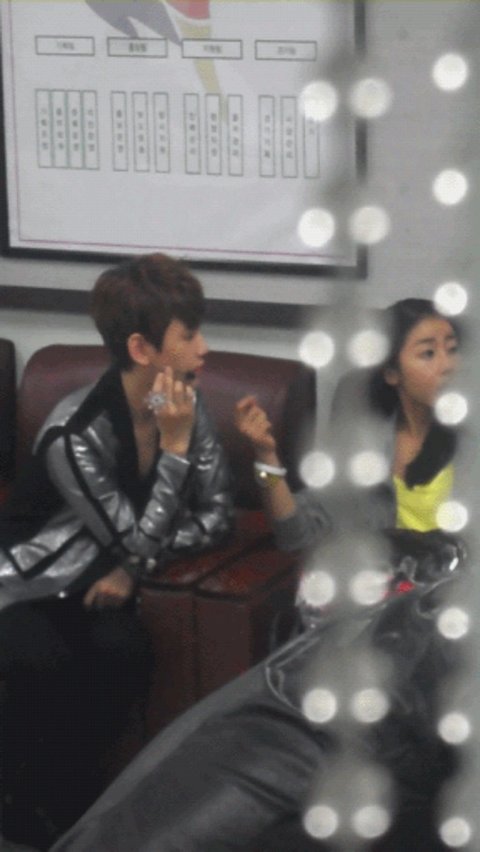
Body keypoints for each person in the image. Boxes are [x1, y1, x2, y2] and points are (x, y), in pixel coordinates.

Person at [50, 298, 470, 852]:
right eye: (429, 352)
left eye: (453, 350)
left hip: (439, 652)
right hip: (349, 645)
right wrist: (267, 457)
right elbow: (298, 533)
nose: (449, 365)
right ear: (392, 372)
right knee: (196, 762)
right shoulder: (366, 451)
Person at [0, 253, 234, 850]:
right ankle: (24, 812)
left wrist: (132, 566)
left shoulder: (183, 402)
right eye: (189, 335)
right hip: (26, 583)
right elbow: (132, 539)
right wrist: (174, 454)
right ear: (141, 348)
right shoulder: (74, 433)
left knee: (125, 653)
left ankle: (79, 810)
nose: (204, 348)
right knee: (38, 662)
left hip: (99, 577)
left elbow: (218, 518)